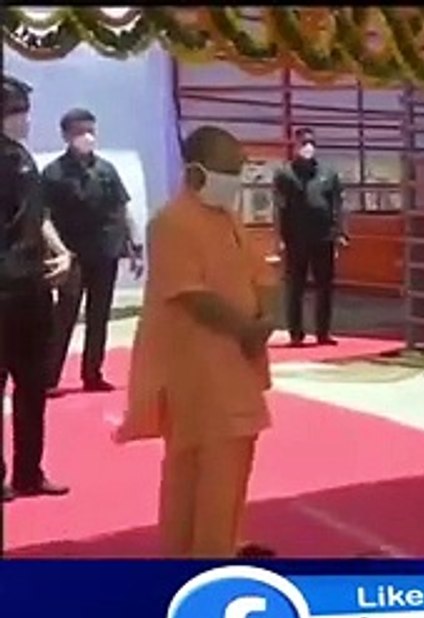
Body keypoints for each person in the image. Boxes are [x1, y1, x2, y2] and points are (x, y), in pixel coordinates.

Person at [114, 125, 279, 558]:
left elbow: (260, 272)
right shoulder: (170, 223)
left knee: (216, 464)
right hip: (199, 367)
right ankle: (207, 558)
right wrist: (246, 328)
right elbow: (191, 295)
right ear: (196, 173)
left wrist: (265, 316)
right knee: (210, 467)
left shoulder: (227, 218)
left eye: (240, 170)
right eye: (229, 170)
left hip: (235, 363)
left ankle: (204, 549)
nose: (237, 180)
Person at [1, 75, 72, 504]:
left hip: (31, 283)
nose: (25, 118)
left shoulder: (23, 158)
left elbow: (38, 215)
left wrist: (62, 252)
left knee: (32, 383)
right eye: (17, 110)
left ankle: (29, 470)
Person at [44, 107, 144, 394]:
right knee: (65, 315)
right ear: (66, 135)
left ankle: (93, 374)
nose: (87, 137)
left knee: (99, 316)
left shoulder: (106, 170)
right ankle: (50, 377)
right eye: (79, 131)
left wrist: (134, 244)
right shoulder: (54, 173)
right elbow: (43, 216)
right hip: (72, 254)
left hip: (105, 252)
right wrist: (55, 251)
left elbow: (122, 208)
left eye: (90, 130)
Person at [273, 127, 346, 347]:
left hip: (323, 239)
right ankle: (296, 334)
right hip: (296, 239)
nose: (308, 147)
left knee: (324, 286)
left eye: (311, 143)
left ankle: (323, 332)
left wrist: (339, 232)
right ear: (295, 146)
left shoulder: (328, 173)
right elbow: (279, 208)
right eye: (303, 143)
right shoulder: (285, 174)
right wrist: (279, 239)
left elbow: (336, 205)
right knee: (295, 287)